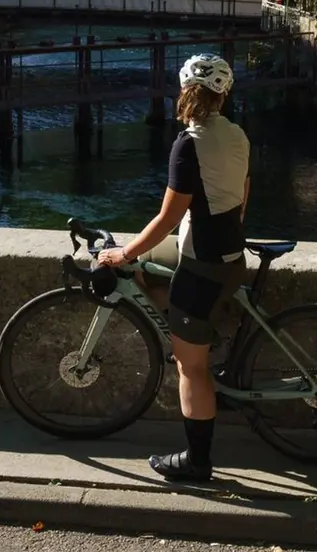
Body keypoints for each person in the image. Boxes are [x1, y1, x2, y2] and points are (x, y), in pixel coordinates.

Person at [95, 54, 250, 483]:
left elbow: (166, 218)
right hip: (229, 256)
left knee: (190, 369)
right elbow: (242, 196)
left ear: (185, 93)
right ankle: (195, 332)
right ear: (223, 94)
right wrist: (139, 256)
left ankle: (197, 463)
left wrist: (122, 254)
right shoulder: (238, 135)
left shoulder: (189, 143)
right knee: (147, 267)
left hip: (202, 266)